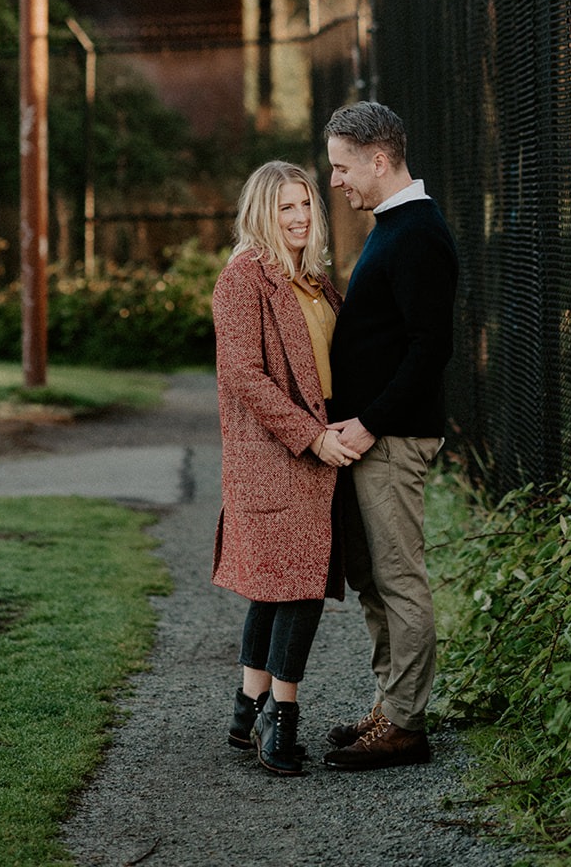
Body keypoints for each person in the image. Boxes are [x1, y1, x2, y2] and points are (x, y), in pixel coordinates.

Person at [321, 101, 458, 771]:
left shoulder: (419, 233)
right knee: (372, 578)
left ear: (379, 159)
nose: (337, 181)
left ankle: (406, 725)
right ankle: (390, 705)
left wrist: (371, 423)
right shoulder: (391, 226)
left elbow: (430, 348)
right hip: (372, 436)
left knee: (399, 578)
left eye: (343, 167)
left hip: (394, 439)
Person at [212, 159, 360, 776]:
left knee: (280, 586)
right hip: (276, 455)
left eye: (305, 205)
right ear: (261, 214)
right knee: (299, 586)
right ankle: (282, 717)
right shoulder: (244, 277)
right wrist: (310, 437)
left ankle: (247, 709)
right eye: (286, 208)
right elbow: (244, 374)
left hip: (319, 445)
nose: (300, 217)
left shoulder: (313, 281)